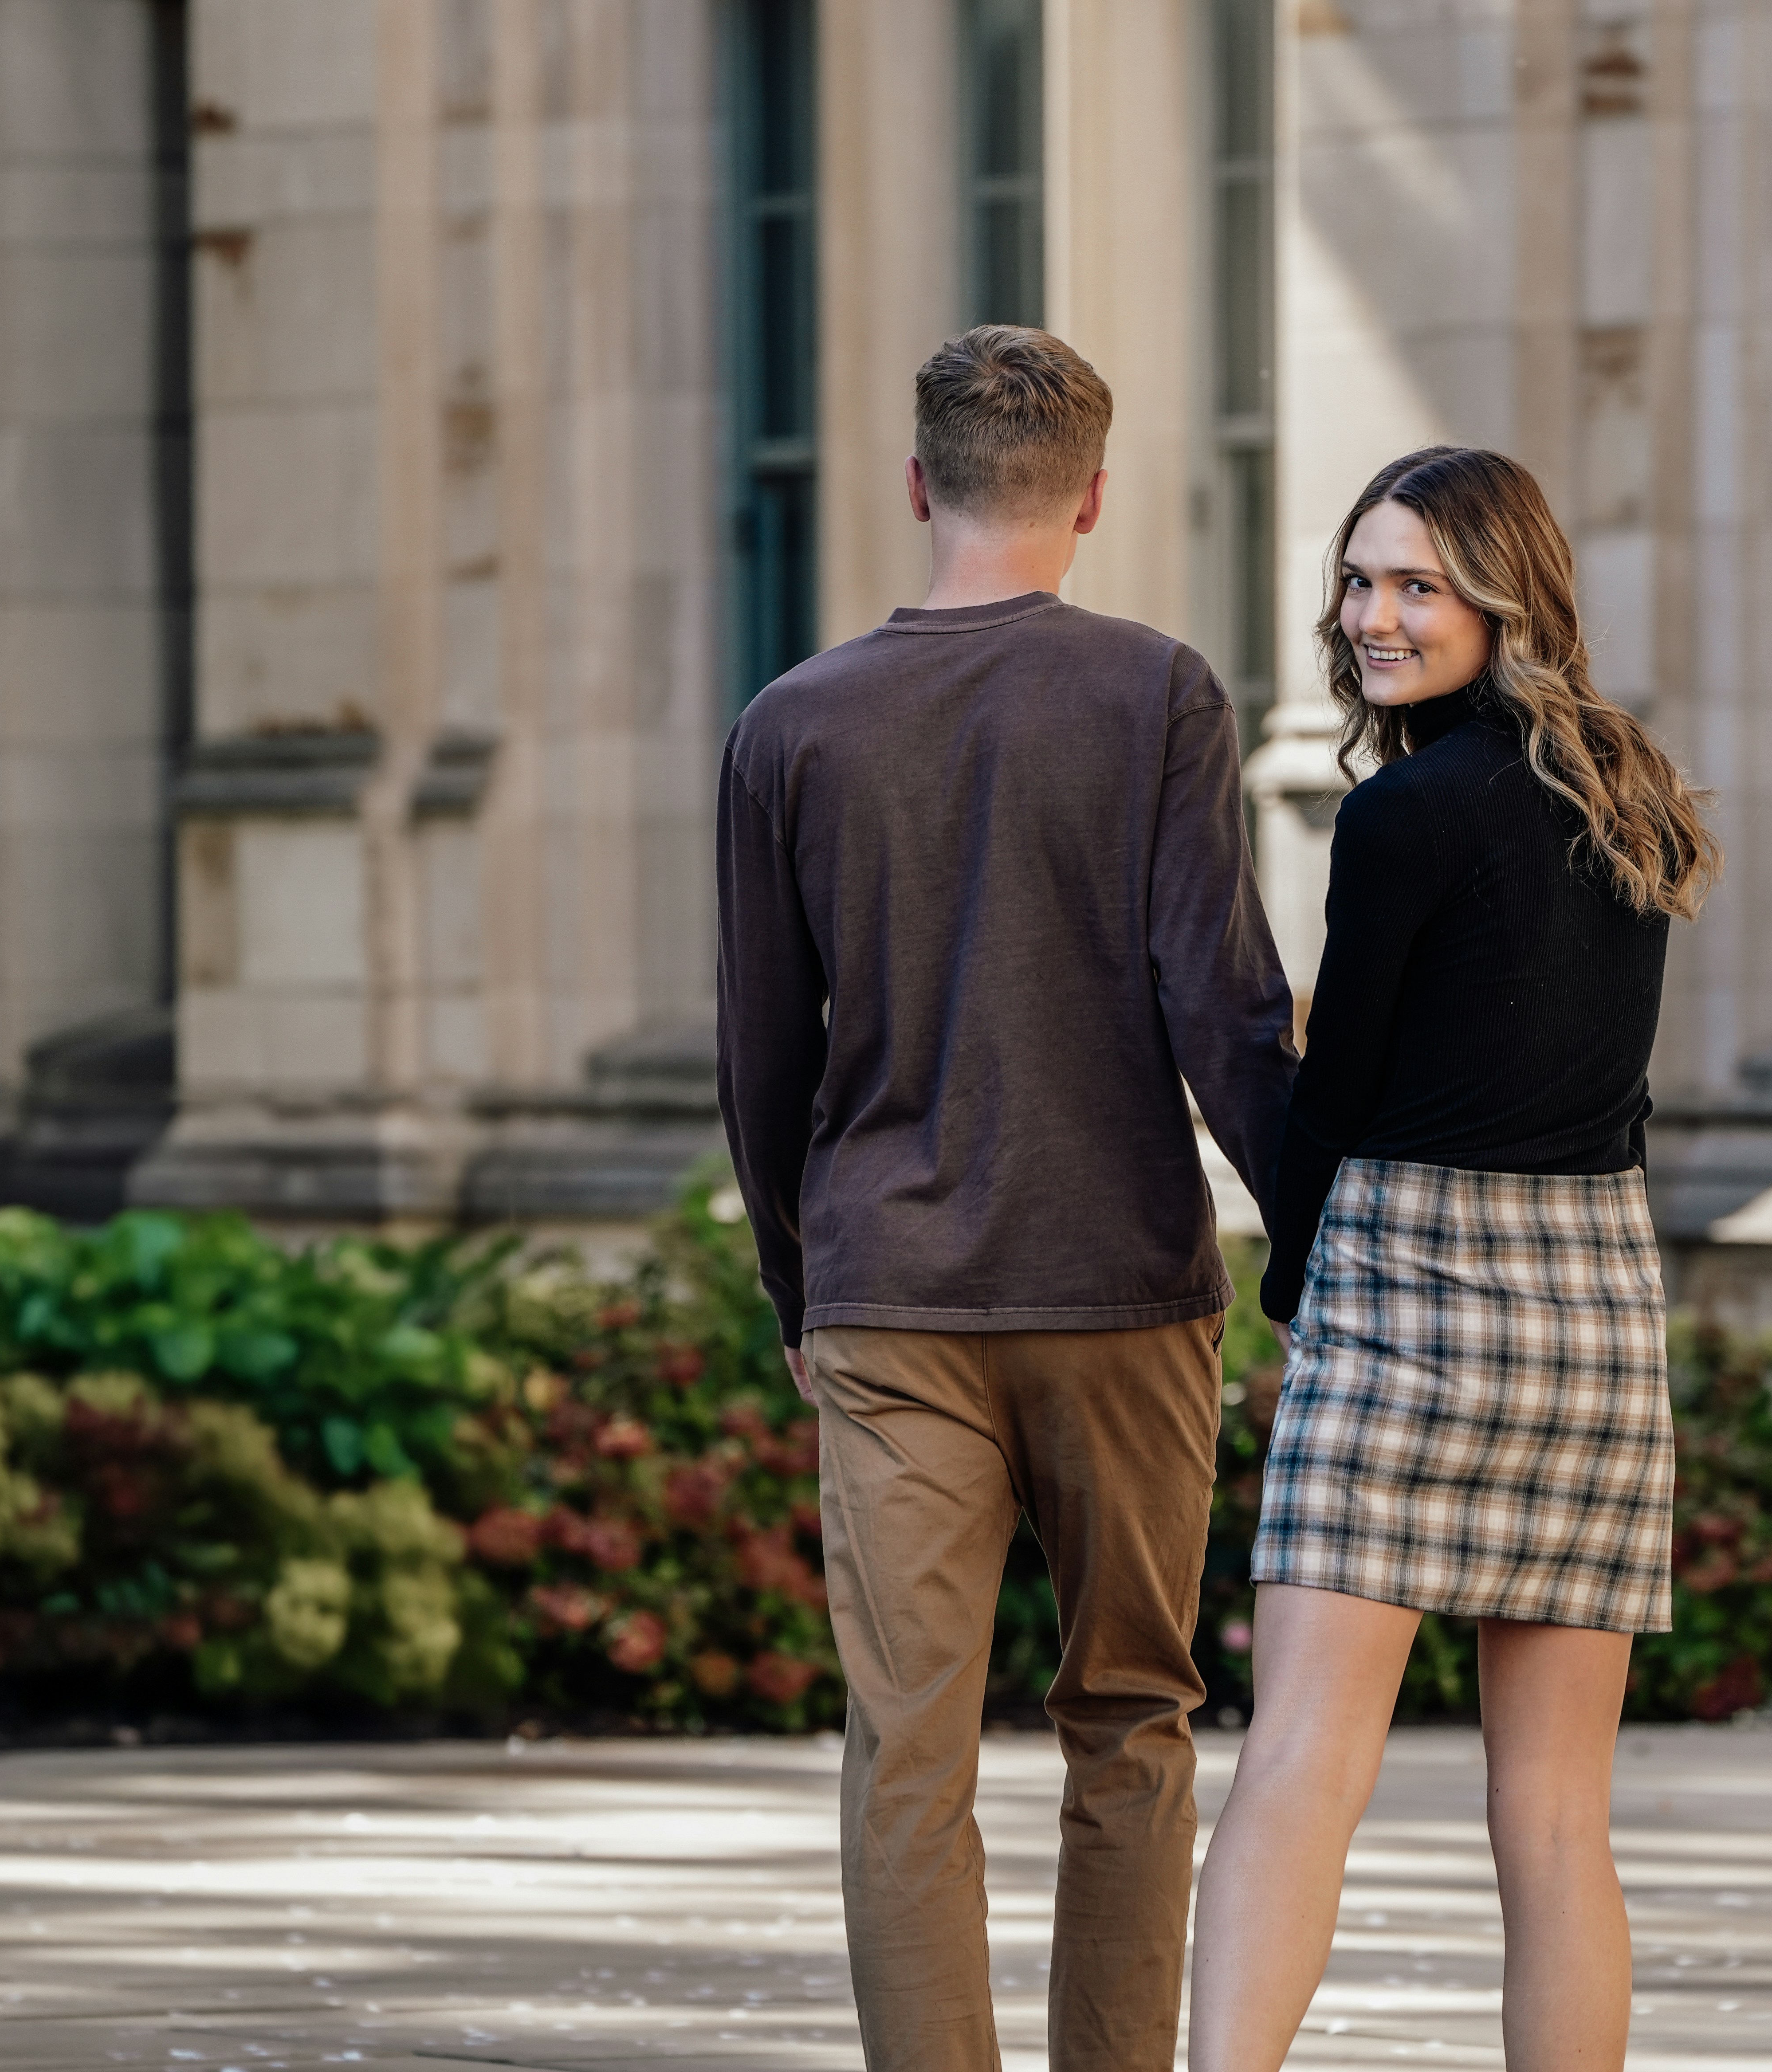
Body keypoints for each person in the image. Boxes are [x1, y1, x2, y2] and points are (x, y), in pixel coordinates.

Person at [715, 323, 1297, 2072]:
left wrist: (795, 1292)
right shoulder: (1158, 694)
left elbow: (763, 1059)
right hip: (1123, 1282)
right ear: (1096, 498)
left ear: (919, 485)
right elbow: (1230, 1006)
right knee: (1131, 1719)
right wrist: (1323, 1242)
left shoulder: (790, 726)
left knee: (910, 1749)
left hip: (891, 1292)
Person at [1187, 446, 1720, 2072]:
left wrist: (1287, 1283)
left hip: (1413, 1296)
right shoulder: (1630, 796)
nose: (1373, 617)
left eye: (1416, 584)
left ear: (1505, 595)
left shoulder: (1406, 813)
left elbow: (1338, 1087)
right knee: (1558, 1824)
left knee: (1302, 1766)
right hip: (1596, 1319)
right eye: (1358, 582)